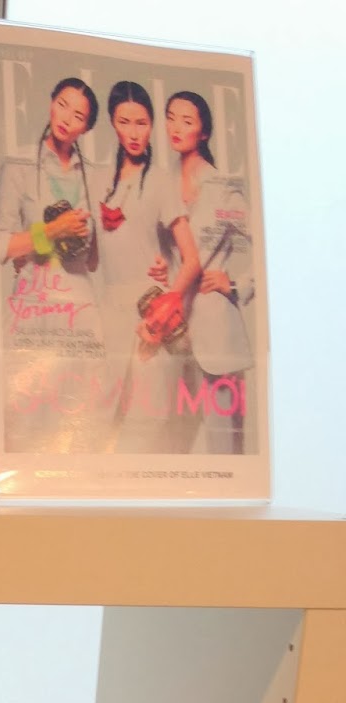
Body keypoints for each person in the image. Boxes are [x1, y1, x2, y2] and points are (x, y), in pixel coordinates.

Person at [0, 76, 105, 453]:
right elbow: (1, 246)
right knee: (23, 422)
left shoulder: (94, 175)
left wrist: (87, 236)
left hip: (80, 306)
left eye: (78, 116)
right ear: (50, 102)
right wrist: (54, 231)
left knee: (77, 422)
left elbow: (94, 259)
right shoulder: (19, 166)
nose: (66, 118)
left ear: (86, 127)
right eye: (62, 104)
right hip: (33, 305)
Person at [97, 81, 201, 452]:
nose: (133, 132)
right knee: (103, 417)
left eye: (141, 123)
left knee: (148, 417)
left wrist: (163, 307)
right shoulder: (98, 179)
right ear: (113, 123)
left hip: (148, 313)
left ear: (152, 125)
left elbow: (192, 259)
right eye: (124, 122)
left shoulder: (159, 181)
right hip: (109, 315)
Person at [161, 90, 255, 453]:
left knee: (225, 447)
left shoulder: (222, 187)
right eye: (171, 117)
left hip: (216, 331)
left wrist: (237, 284)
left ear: (203, 132)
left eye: (187, 121)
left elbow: (268, 243)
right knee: (172, 443)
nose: (176, 127)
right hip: (174, 331)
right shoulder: (161, 182)